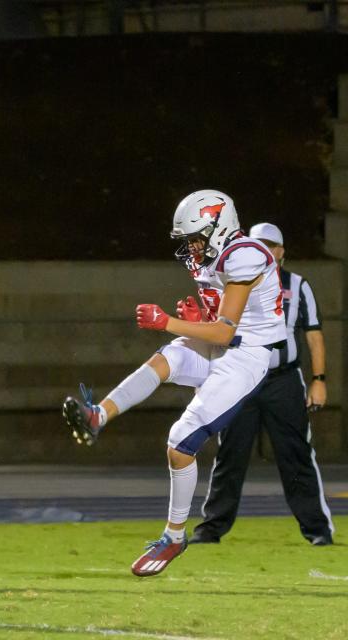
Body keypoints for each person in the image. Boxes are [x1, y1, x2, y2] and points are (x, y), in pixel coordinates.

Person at [62, 190, 286, 576]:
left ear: (218, 226)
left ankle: (174, 536)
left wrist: (167, 321)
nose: (192, 247)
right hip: (227, 344)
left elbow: (224, 332)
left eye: (196, 237)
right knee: (165, 359)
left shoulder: (245, 254)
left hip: (247, 356)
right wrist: (197, 315)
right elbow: (218, 320)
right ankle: (98, 415)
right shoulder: (215, 258)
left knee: (181, 444)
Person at [189, 222, 334, 546]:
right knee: (230, 453)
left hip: (282, 380)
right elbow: (218, 330)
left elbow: (314, 335)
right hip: (240, 375)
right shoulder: (231, 281)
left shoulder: (297, 285)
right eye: (258, 244)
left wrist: (319, 379)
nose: (264, 249)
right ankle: (212, 527)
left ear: (282, 251)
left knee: (296, 454)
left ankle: (317, 529)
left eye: (271, 244)